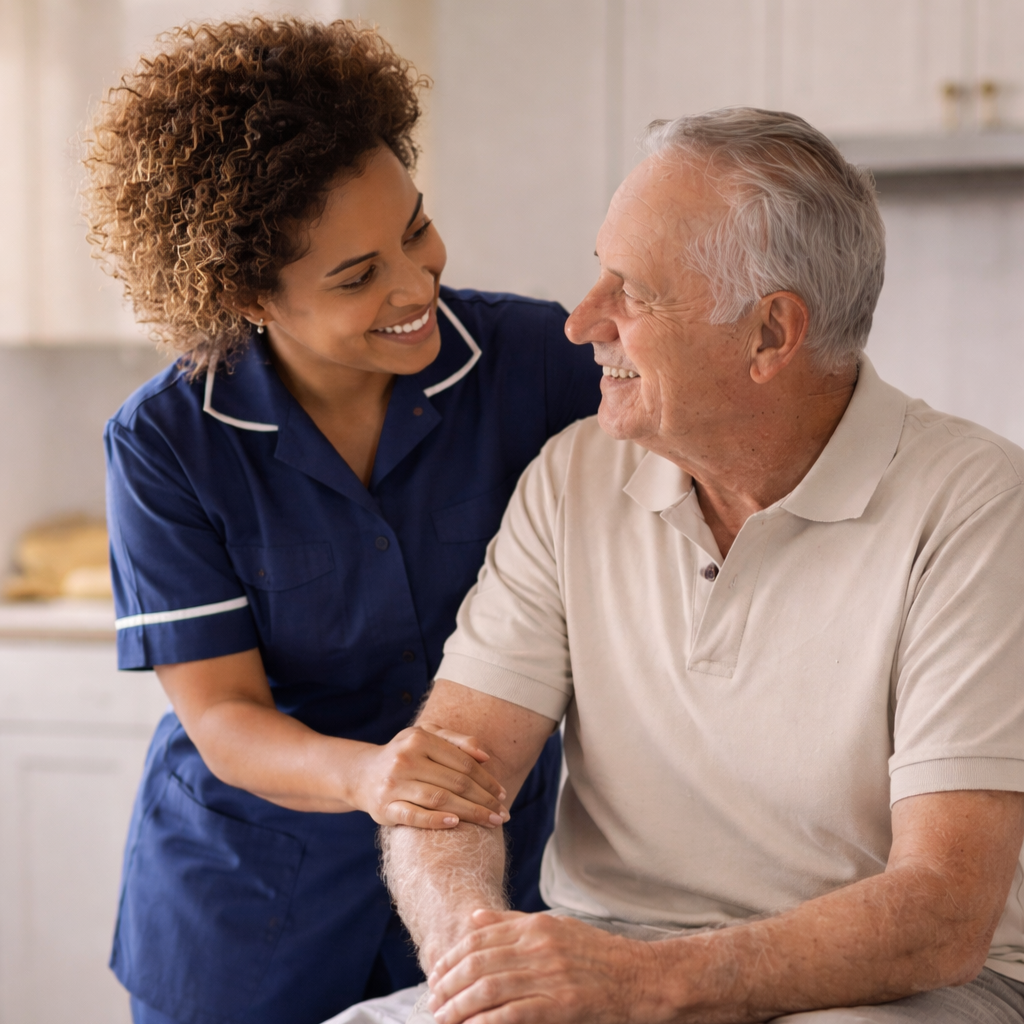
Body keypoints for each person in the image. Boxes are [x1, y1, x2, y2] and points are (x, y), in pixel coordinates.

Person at [365, 108, 1024, 1024]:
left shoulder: (977, 503)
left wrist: (648, 985)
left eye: (631, 291)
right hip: (605, 951)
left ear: (769, 334)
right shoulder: (573, 477)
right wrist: (482, 964)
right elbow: (447, 788)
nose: (583, 322)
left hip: (895, 987)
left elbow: (945, 914)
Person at [82, 18, 599, 1024]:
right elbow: (225, 716)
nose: (417, 286)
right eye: (357, 276)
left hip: (485, 890)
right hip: (246, 913)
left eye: (414, 229)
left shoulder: (540, 363)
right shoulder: (165, 443)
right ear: (247, 295)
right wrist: (375, 775)